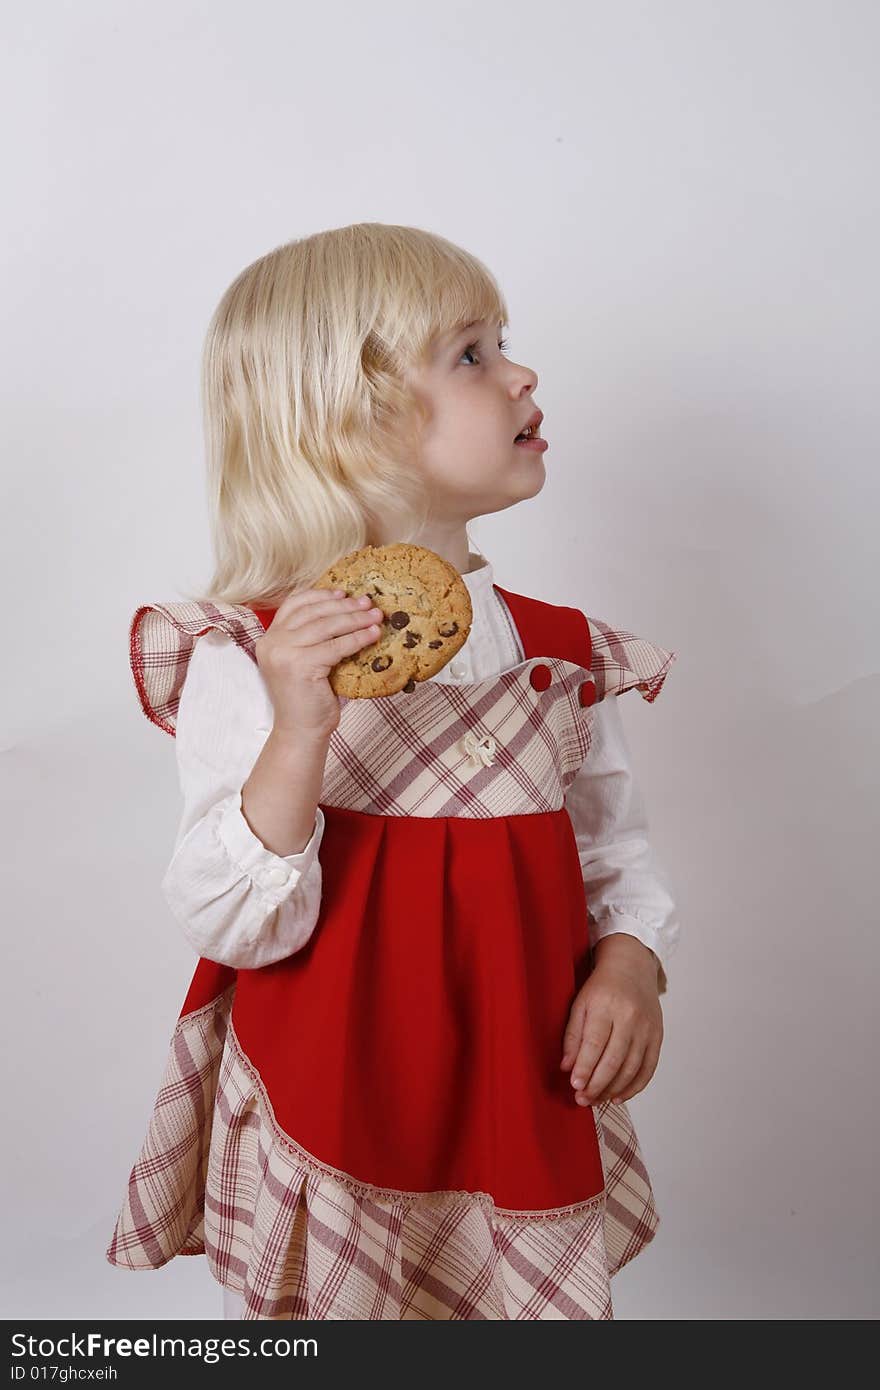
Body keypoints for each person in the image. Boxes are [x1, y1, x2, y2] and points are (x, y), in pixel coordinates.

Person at [105, 223, 680, 1321]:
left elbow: (612, 847)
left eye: (502, 341)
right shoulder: (254, 659)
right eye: (470, 354)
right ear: (348, 421)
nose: (522, 372)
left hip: (514, 1091)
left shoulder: (561, 656)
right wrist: (299, 730)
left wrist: (631, 962)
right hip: (338, 1096)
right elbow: (232, 924)